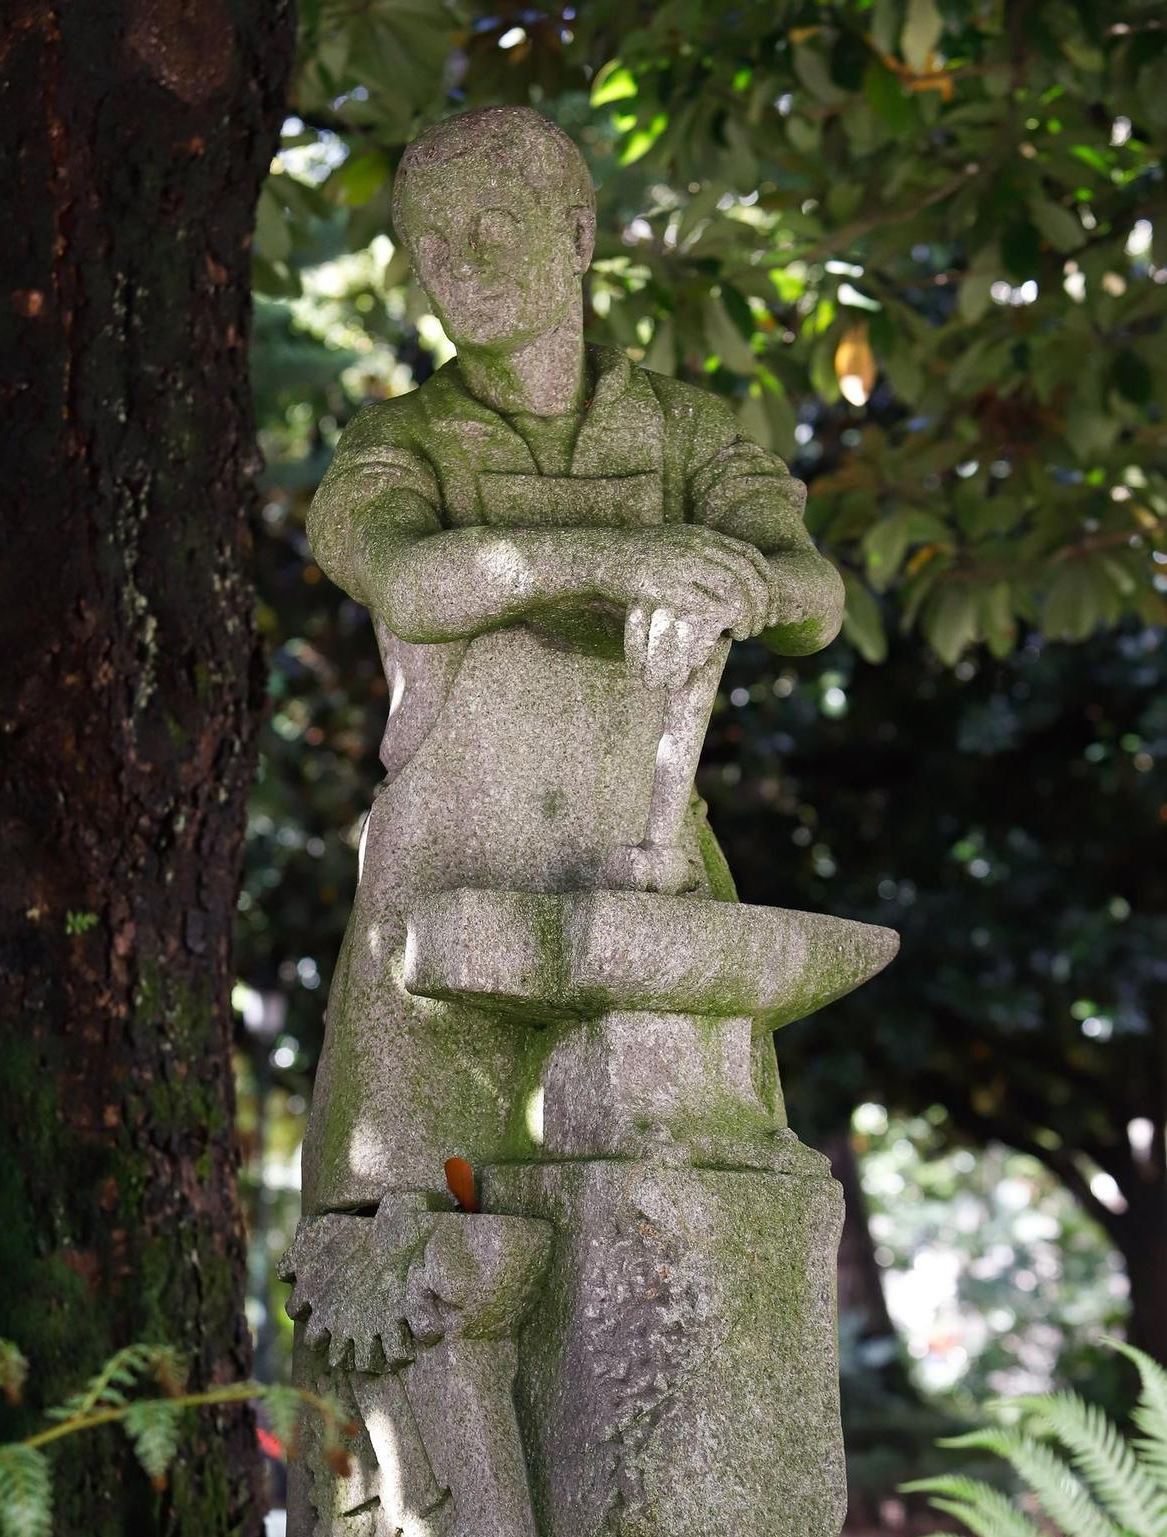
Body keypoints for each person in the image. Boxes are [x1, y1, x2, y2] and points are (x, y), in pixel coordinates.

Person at [302, 104, 843, 1214]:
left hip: (641, 869)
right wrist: (622, 561)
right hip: (446, 879)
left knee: (698, 1205)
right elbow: (412, 580)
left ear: (581, 232)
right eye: (436, 243)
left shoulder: (684, 431)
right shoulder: (399, 442)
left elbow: (815, 600)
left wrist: (745, 582)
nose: (466, 261)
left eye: (495, 222)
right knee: (407, 1240)